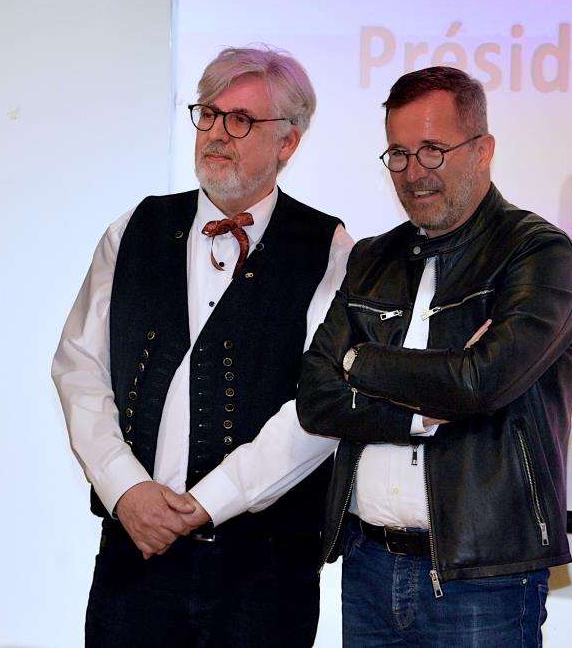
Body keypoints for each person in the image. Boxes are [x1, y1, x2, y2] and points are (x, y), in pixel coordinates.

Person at [52, 46, 352, 646]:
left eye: (240, 120)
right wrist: (125, 488)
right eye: (208, 114)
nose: (216, 133)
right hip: (134, 557)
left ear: (288, 143)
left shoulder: (329, 248)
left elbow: (322, 406)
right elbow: (79, 367)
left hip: (264, 572)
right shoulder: (134, 229)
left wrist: (211, 501)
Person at [297, 66, 572, 646]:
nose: (414, 172)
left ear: (483, 149)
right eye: (399, 155)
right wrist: (421, 409)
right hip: (368, 565)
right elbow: (315, 397)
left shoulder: (538, 253)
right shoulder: (371, 258)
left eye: (432, 150)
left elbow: (479, 383)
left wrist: (358, 361)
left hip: (483, 578)